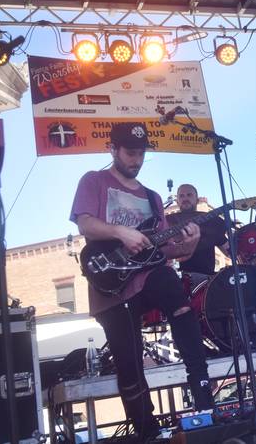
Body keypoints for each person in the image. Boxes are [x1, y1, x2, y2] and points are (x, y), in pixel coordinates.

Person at [71, 122, 214, 441]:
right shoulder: (94, 181)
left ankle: (202, 394)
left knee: (179, 300)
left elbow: (163, 250)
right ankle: (147, 429)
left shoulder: (151, 197)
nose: (136, 160)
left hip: (149, 273)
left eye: (141, 154)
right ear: (113, 149)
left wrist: (189, 243)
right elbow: (85, 224)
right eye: (130, 153)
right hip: (111, 277)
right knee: (128, 359)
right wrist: (122, 232)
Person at [166, 184, 228, 287]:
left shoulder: (211, 223)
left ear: (197, 200)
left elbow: (229, 250)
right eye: (181, 196)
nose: (185, 198)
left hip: (204, 281)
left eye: (189, 195)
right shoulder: (167, 222)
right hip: (172, 280)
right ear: (177, 201)